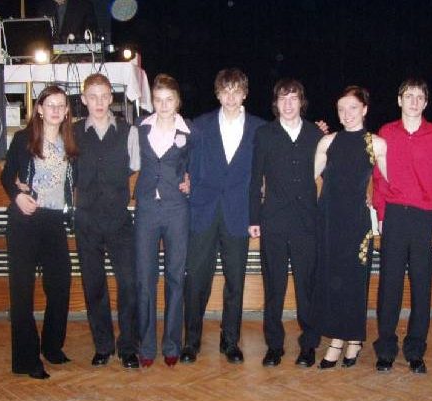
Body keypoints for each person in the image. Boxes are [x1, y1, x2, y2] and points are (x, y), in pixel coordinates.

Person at [372, 78, 432, 374]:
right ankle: (385, 349)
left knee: (422, 288)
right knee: (389, 287)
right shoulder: (386, 133)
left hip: (424, 219)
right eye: (408, 96)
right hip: (394, 216)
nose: (414, 102)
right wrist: (381, 214)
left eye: (419, 97)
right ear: (399, 100)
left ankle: (415, 350)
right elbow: (379, 179)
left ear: (426, 103)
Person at [180, 68, 266, 365]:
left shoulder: (259, 128)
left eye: (236, 91)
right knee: (196, 280)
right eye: (225, 91)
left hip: (238, 214)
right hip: (202, 211)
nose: (230, 97)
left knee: (235, 282)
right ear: (217, 94)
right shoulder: (199, 125)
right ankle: (191, 341)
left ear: (245, 94)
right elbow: (183, 160)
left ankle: (230, 341)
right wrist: (184, 179)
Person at [0, 85, 77, 380]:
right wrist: (17, 195)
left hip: (54, 221)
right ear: (40, 109)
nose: (56, 110)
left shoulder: (70, 141)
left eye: (61, 105)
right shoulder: (23, 139)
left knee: (60, 286)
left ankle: (52, 347)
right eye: (50, 105)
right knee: (22, 292)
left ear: (67, 111)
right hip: (25, 220)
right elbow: (7, 175)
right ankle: (26, 359)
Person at [309, 86, 387, 369]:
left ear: (364, 109)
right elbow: (306, 178)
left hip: (356, 223)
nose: (347, 114)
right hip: (329, 221)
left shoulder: (377, 144)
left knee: (354, 282)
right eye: (341, 109)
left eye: (353, 108)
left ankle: (353, 339)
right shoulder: (327, 142)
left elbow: (390, 183)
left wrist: (374, 197)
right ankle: (338, 339)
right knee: (332, 280)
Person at [249, 78, 322, 368]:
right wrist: (254, 218)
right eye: (283, 98)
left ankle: (309, 345)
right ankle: (274, 345)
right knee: (274, 287)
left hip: (307, 223)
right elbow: (255, 179)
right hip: (274, 222)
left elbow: (331, 177)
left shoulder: (316, 134)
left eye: (293, 98)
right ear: (276, 103)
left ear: (301, 102)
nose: (288, 104)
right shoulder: (264, 134)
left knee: (307, 287)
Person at [73, 73, 140, 369]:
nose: (99, 102)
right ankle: (103, 345)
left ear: (111, 98)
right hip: (86, 220)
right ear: (84, 99)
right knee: (94, 285)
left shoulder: (128, 131)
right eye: (93, 97)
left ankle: (128, 347)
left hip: (119, 220)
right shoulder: (73, 132)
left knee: (129, 283)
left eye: (104, 96)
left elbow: (135, 166)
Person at [134, 74, 191, 368]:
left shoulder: (190, 131)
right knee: (145, 278)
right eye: (158, 99)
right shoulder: (139, 128)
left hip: (177, 209)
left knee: (175, 278)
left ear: (177, 101)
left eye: (169, 99)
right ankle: (146, 346)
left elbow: (201, 166)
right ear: (152, 101)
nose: (164, 105)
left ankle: (171, 344)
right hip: (146, 208)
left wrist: (192, 181)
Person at [29, 0, 97, 42]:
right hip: (47, 56)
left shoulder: (84, 5)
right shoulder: (42, 6)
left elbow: (91, 32)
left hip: (77, 57)